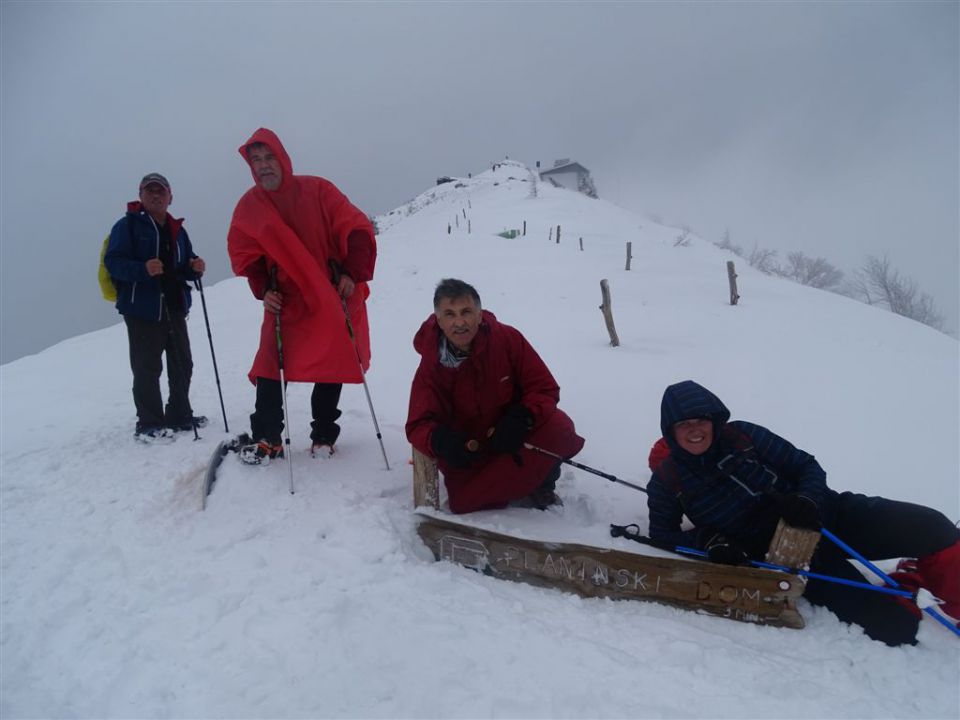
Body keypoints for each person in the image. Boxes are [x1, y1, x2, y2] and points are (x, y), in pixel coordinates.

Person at [646, 379, 959, 646]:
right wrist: (712, 541)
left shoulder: (743, 436)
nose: (695, 429)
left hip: (827, 513)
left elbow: (805, 465)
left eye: (700, 420)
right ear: (671, 431)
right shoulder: (667, 480)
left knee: (934, 528)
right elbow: (663, 534)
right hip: (787, 555)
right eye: (683, 424)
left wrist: (807, 498)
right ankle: (907, 580)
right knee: (896, 628)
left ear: (714, 419)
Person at [227, 128, 376, 464]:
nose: (264, 166)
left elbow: (356, 229)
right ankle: (268, 438)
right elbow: (247, 257)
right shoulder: (250, 206)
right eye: (256, 160)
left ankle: (323, 436)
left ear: (282, 158)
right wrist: (264, 289)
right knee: (268, 364)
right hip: (284, 298)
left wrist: (352, 273)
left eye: (269, 158)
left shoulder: (318, 190)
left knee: (331, 361)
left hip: (328, 290)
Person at [406, 279, 585, 513]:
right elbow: (418, 424)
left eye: (466, 312)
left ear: (479, 315)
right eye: (450, 314)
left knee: (559, 427)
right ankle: (507, 485)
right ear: (439, 321)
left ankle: (541, 484)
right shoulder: (432, 366)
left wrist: (523, 417)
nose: (459, 322)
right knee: (464, 501)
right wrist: (441, 441)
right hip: (471, 450)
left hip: (510, 436)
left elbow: (543, 388)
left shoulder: (507, 339)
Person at [105, 173, 206, 443]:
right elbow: (113, 262)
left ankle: (179, 414)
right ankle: (149, 423)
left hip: (173, 305)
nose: (155, 195)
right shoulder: (126, 226)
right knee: (147, 367)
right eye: (149, 191)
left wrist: (194, 268)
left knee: (182, 363)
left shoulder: (177, 230)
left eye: (160, 191)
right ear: (140, 195)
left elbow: (182, 267)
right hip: (142, 308)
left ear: (170, 196)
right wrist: (142, 269)